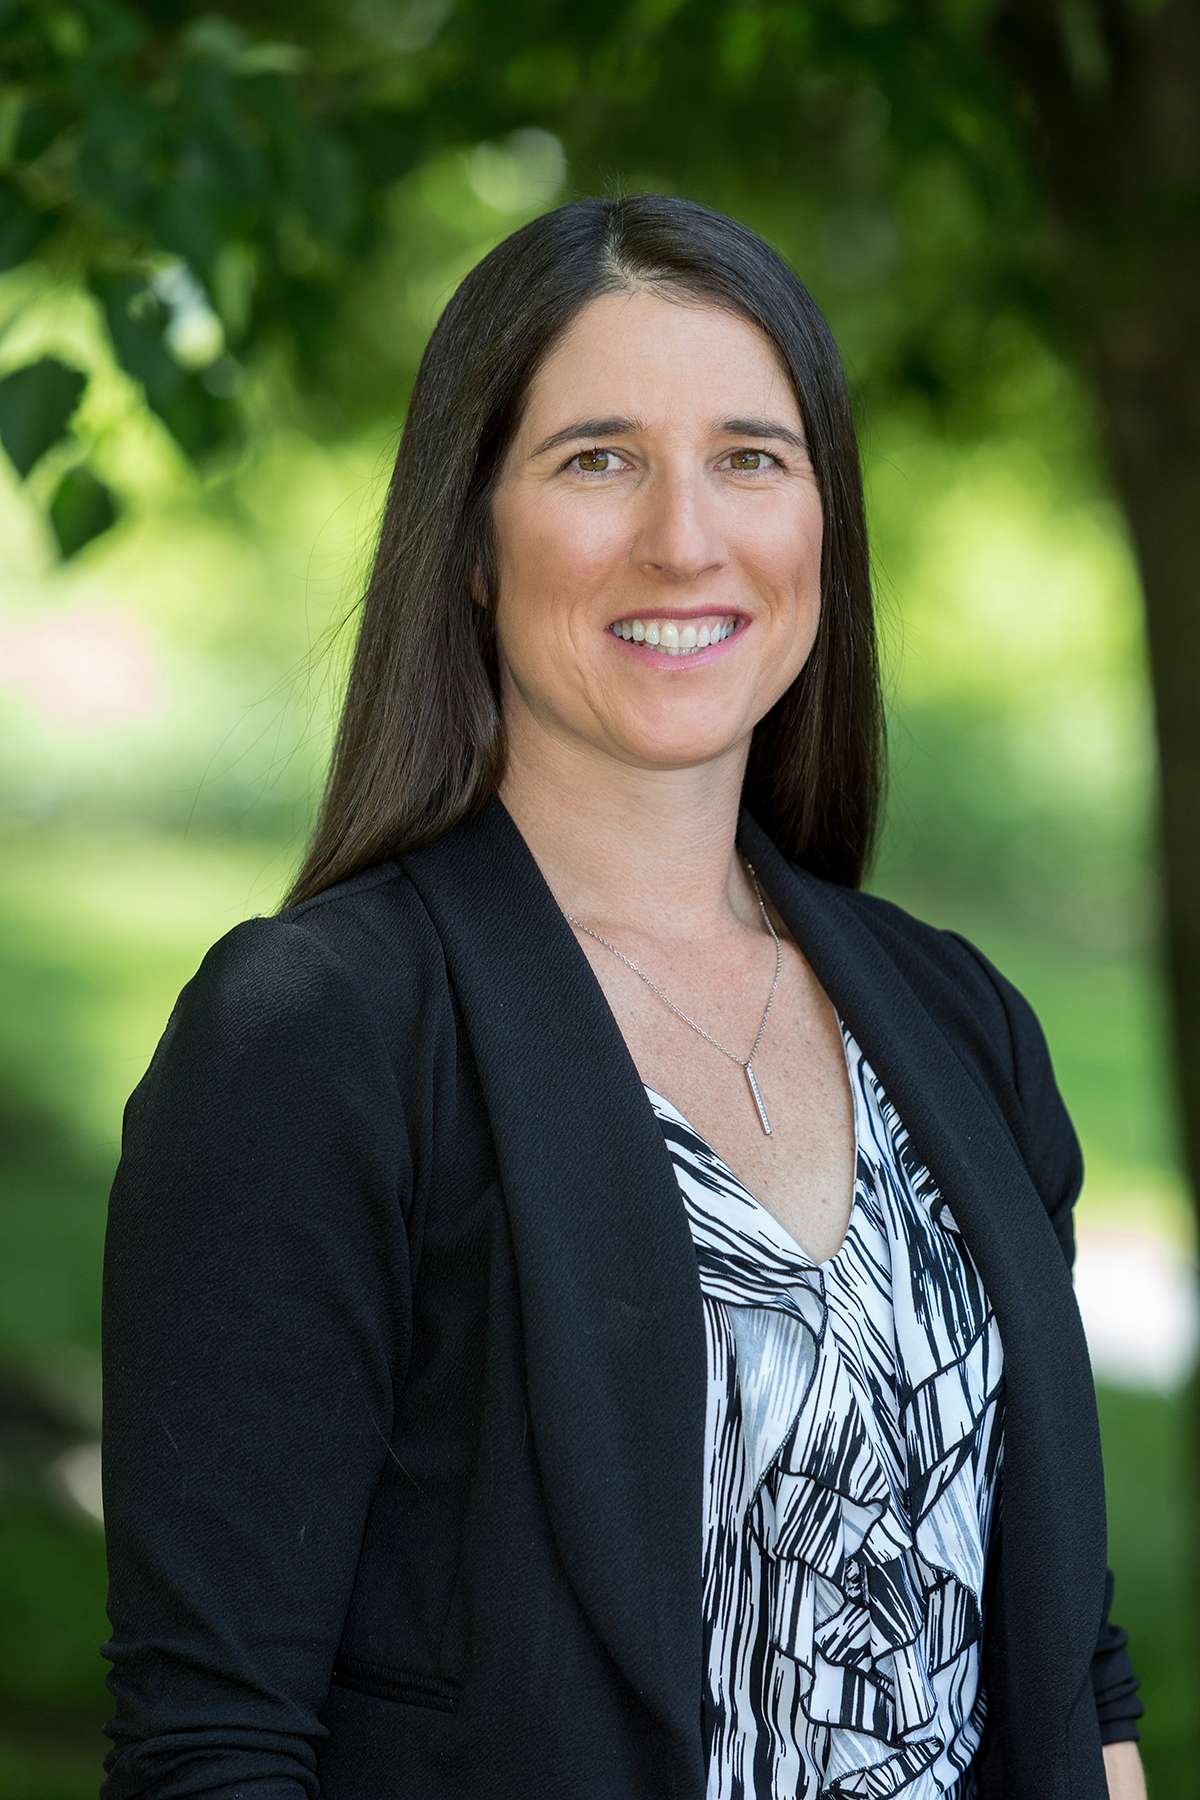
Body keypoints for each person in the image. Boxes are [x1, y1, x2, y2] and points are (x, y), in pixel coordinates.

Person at [99, 192, 1147, 1800]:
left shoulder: (962, 1025)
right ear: (466, 538)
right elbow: (217, 1745)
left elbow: (1079, 1677)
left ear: (821, 522)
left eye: (752, 457)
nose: (685, 538)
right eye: (598, 458)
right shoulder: (321, 1039)